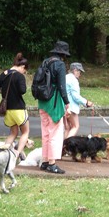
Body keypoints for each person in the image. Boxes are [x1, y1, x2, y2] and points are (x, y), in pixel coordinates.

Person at [39, 40, 70, 174]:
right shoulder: (60, 64)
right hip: (54, 102)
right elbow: (62, 86)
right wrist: (67, 102)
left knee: (45, 132)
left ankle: (45, 161)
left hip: (43, 101)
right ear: (63, 54)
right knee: (55, 133)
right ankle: (52, 163)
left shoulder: (45, 62)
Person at [0, 52, 30, 158]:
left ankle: (3, 154)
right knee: (25, 132)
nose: (25, 72)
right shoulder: (19, 76)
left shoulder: (4, 73)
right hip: (19, 108)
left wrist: (5, 91)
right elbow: (22, 90)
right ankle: (17, 154)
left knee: (13, 133)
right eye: (25, 70)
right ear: (22, 66)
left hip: (7, 109)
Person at [64, 62, 93, 139]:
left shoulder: (65, 77)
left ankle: (62, 149)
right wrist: (86, 102)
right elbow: (76, 96)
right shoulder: (73, 80)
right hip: (71, 107)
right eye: (79, 72)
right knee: (75, 126)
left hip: (63, 106)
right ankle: (66, 146)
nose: (80, 74)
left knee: (67, 128)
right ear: (75, 70)